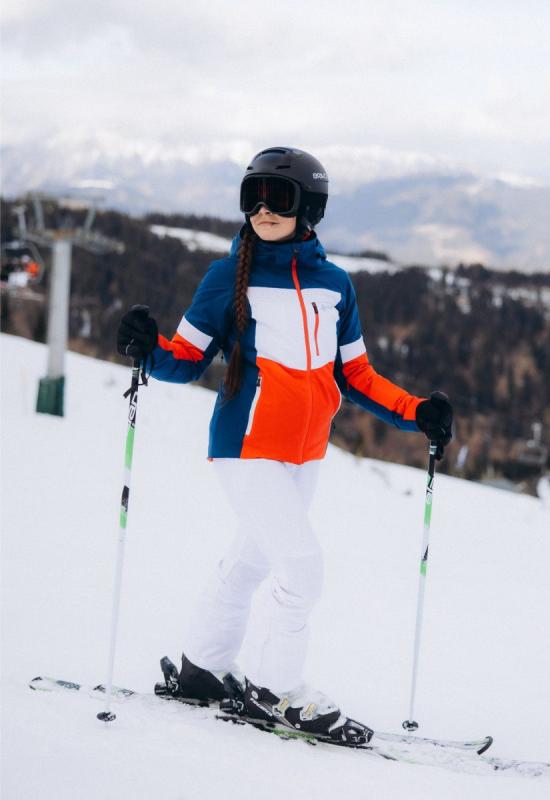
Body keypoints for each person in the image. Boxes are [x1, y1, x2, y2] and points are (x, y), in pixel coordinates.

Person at [117, 146, 453, 740]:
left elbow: (356, 375)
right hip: (245, 446)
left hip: (306, 453)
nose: (264, 209)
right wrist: (150, 347)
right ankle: (277, 691)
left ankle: (202, 668)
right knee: (301, 568)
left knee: (251, 561)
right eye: (254, 196)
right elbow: (186, 359)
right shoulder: (227, 277)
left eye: (280, 197)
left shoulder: (335, 285)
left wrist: (416, 411)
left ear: (311, 208)